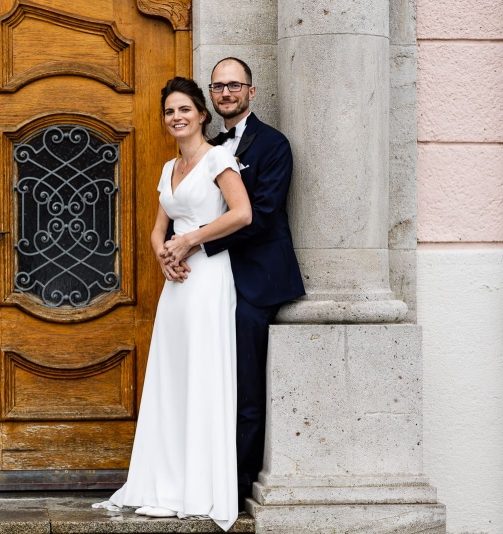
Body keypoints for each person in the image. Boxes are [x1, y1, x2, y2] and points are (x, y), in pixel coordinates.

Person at [99, 76, 252, 532]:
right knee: (172, 375)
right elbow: (156, 226)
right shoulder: (168, 168)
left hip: (207, 277)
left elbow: (242, 213)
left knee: (202, 373)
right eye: (169, 111)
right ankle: (164, 484)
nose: (177, 117)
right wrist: (163, 255)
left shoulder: (218, 158)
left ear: (202, 115)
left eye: (184, 109)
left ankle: (197, 488)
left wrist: (189, 241)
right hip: (178, 282)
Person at [164, 57, 306, 511]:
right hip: (210, 280)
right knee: (208, 378)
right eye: (219, 86)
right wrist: (172, 250)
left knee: (243, 385)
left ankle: (236, 485)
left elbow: (259, 215)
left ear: (251, 91)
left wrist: (195, 246)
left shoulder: (274, 144)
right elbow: (196, 211)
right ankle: (197, 473)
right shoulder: (208, 147)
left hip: (255, 280)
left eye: (235, 86)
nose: (227, 93)